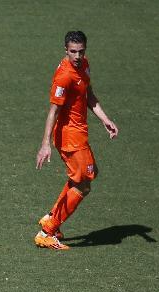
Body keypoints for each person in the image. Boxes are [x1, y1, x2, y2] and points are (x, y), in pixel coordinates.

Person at [34, 30, 119, 250]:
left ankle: (51, 217)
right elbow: (53, 111)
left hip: (79, 133)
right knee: (84, 184)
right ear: (66, 50)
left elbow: (88, 94)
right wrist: (45, 145)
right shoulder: (64, 76)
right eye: (73, 52)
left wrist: (105, 119)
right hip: (70, 137)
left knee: (87, 176)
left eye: (81, 51)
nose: (78, 56)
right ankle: (47, 231)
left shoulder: (83, 65)